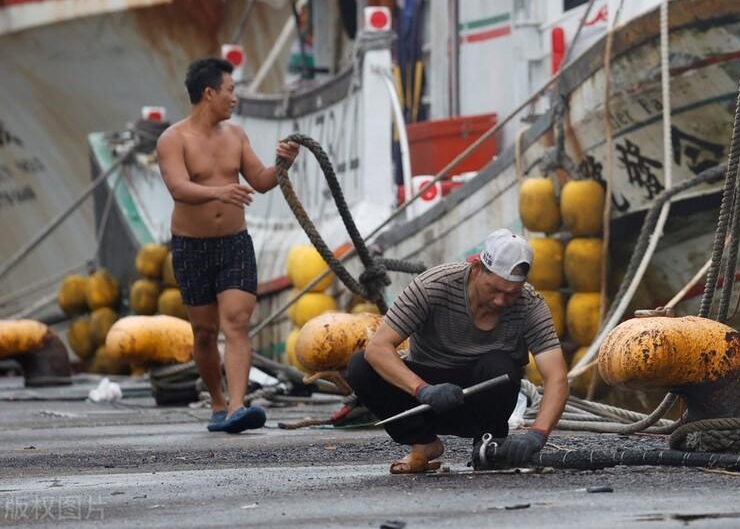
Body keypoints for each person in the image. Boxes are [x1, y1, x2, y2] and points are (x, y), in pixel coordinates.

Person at [347, 229, 569, 473]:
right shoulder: (434, 286)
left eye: (511, 294)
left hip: (481, 402)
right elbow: (378, 348)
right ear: (476, 269)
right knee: (361, 366)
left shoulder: (528, 303)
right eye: (494, 290)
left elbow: (556, 375)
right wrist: (422, 390)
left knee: (500, 366)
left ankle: (488, 445)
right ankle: (423, 442)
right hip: (425, 400)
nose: (500, 301)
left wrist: (538, 434)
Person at [156, 57, 299, 433]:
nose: (235, 98)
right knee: (204, 332)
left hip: (234, 244)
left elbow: (262, 180)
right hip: (191, 247)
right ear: (209, 93)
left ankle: (238, 406)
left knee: (236, 323)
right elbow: (178, 188)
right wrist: (221, 191)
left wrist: (282, 163)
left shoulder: (236, 136)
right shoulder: (173, 139)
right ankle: (218, 403)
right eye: (230, 90)